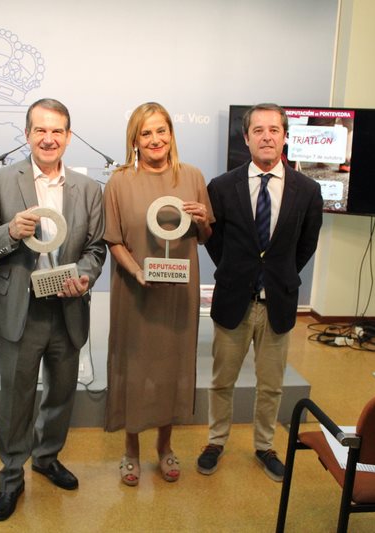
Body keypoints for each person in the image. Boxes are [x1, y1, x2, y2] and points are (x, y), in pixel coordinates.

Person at [0, 98, 106, 521]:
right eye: (40, 130)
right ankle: (11, 476)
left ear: (68, 136)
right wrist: (11, 231)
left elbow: (96, 248)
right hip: (20, 309)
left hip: (67, 306)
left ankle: (46, 458)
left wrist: (85, 274)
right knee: (17, 397)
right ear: (27, 134)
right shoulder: (1, 180)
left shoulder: (88, 189)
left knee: (62, 392)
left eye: (57, 131)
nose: (49, 139)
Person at [197, 103, 322, 482]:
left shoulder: (308, 189)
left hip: (278, 303)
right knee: (222, 380)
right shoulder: (221, 186)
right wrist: (240, 272)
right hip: (234, 299)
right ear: (246, 137)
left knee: (271, 385)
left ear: (285, 136)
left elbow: (306, 245)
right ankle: (216, 440)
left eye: (274, 129)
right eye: (259, 130)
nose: (267, 136)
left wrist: (276, 275)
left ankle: (265, 446)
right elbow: (214, 242)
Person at [103, 102, 213, 486]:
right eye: (146, 133)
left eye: (161, 131)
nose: (155, 140)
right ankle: (130, 450)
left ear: (171, 135)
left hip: (178, 292)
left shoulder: (193, 176)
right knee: (135, 368)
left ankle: (164, 447)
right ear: (134, 139)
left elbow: (206, 235)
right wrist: (136, 271)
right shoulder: (120, 181)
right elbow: (113, 239)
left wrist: (202, 220)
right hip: (135, 290)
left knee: (171, 367)